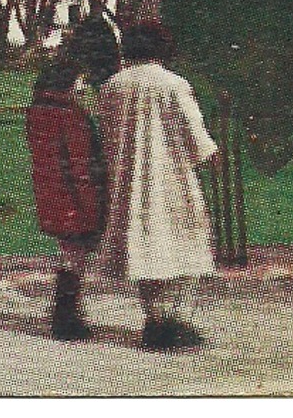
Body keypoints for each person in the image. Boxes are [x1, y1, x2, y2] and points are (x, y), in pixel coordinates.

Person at [97, 21, 221, 350]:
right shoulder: (174, 84)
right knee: (186, 242)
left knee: (143, 246)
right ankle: (178, 319)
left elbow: (107, 135)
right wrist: (209, 153)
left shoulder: (112, 86)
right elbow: (193, 131)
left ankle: (154, 318)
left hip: (129, 178)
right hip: (171, 175)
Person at [26, 57, 105, 339]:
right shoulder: (70, 115)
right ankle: (67, 318)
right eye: (79, 82)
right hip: (74, 195)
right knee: (74, 256)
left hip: (51, 192)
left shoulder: (38, 111)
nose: (83, 87)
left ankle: (66, 313)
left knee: (69, 254)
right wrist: (93, 205)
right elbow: (80, 162)